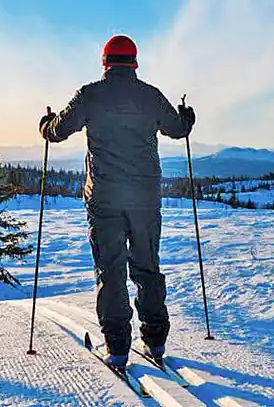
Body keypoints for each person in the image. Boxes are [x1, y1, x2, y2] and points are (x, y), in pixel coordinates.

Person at [39, 35, 195, 369]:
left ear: (105, 62)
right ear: (134, 62)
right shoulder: (150, 95)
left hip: (105, 199)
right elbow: (178, 129)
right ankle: (155, 342)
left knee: (110, 271)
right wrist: (187, 115)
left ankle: (118, 348)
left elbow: (59, 130)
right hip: (145, 199)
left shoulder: (90, 94)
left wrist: (45, 124)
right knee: (147, 267)